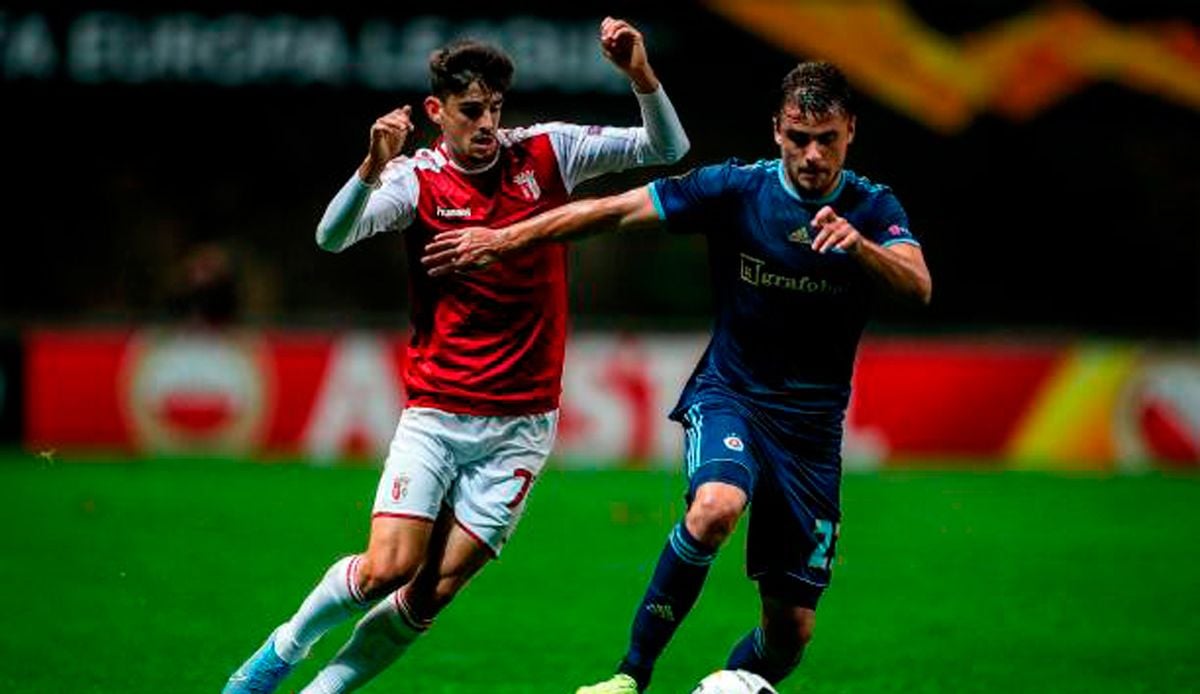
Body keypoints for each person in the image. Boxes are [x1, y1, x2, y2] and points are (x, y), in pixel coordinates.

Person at [421, 61, 932, 692]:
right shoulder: (736, 189)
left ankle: (729, 685)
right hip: (733, 397)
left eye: (826, 139)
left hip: (812, 435)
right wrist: (503, 239)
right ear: (777, 130)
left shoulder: (872, 207)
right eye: (799, 138)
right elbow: (614, 211)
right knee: (715, 507)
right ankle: (629, 677)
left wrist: (861, 247)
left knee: (791, 633)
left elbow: (918, 284)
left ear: (850, 130)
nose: (811, 155)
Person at [222, 17, 689, 694]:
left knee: (430, 593)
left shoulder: (547, 152)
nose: (487, 124)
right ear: (436, 111)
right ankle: (280, 654)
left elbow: (668, 147)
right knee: (387, 569)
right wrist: (370, 167)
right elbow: (331, 236)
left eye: (495, 108)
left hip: (522, 426)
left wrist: (639, 74)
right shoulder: (417, 179)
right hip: (438, 414)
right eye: (471, 110)